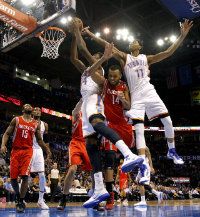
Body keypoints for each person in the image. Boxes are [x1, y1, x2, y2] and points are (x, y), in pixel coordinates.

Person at [82, 19, 193, 176]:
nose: (132, 42)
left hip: (149, 91)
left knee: (168, 121)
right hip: (136, 96)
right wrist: (89, 34)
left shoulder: (146, 58)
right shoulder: (125, 58)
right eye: (131, 42)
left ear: (139, 47)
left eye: (135, 41)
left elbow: (168, 52)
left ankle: (172, 150)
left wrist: (182, 35)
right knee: (139, 131)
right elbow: (107, 44)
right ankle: (143, 167)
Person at [70, 18, 144, 208]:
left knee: (97, 126)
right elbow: (75, 57)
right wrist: (74, 34)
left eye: (97, 58)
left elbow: (85, 51)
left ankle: (128, 155)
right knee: (91, 145)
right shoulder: (86, 72)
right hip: (86, 106)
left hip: (96, 104)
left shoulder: (99, 77)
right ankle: (100, 188)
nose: (93, 58)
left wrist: (79, 32)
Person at [1, 104, 51, 213]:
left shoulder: (35, 124)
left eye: (30, 105)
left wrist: (47, 150)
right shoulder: (16, 120)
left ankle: (21, 201)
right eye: (26, 105)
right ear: (23, 110)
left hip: (28, 151)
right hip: (15, 151)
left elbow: (39, 140)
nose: (28, 106)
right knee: (13, 178)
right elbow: (7, 133)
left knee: (25, 176)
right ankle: (19, 196)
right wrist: (3, 145)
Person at [98, 64, 135, 210]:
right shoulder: (105, 82)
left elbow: (128, 106)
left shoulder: (124, 86)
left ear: (120, 76)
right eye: (110, 75)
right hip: (110, 125)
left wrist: (123, 99)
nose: (112, 78)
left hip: (124, 126)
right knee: (109, 158)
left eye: (115, 76)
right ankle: (110, 194)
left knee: (133, 154)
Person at [57, 99, 92, 210]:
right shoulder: (77, 114)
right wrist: (83, 99)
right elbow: (75, 110)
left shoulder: (91, 116)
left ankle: (96, 198)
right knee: (72, 169)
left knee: (94, 171)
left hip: (87, 144)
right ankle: (63, 198)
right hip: (76, 143)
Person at [30, 107, 49, 209]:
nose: (37, 111)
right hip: (28, 149)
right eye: (35, 110)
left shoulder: (45, 125)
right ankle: (21, 199)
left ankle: (41, 200)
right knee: (25, 174)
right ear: (32, 112)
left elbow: (46, 141)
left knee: (42, 175)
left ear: (41, 113)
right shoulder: (28, 121)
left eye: (39, 110)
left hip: (38, 150)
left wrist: (48, 153)